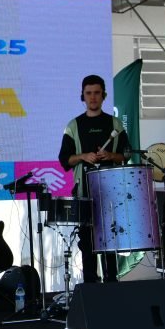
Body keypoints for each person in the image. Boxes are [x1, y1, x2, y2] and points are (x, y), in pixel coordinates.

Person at [58, 74, 130, 283]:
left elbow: (126, 154)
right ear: (83, 96)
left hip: (111, 194)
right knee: (87, 244)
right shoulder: (73, 126)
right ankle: (90, 287)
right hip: (84, 194)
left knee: (110, 241)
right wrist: (83, 156)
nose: (93, 97)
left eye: (97, 93)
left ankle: (112, 285)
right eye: (88, 93)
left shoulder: (115, 124)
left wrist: (111, 156)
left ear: (103, 95)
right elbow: (64, 159)